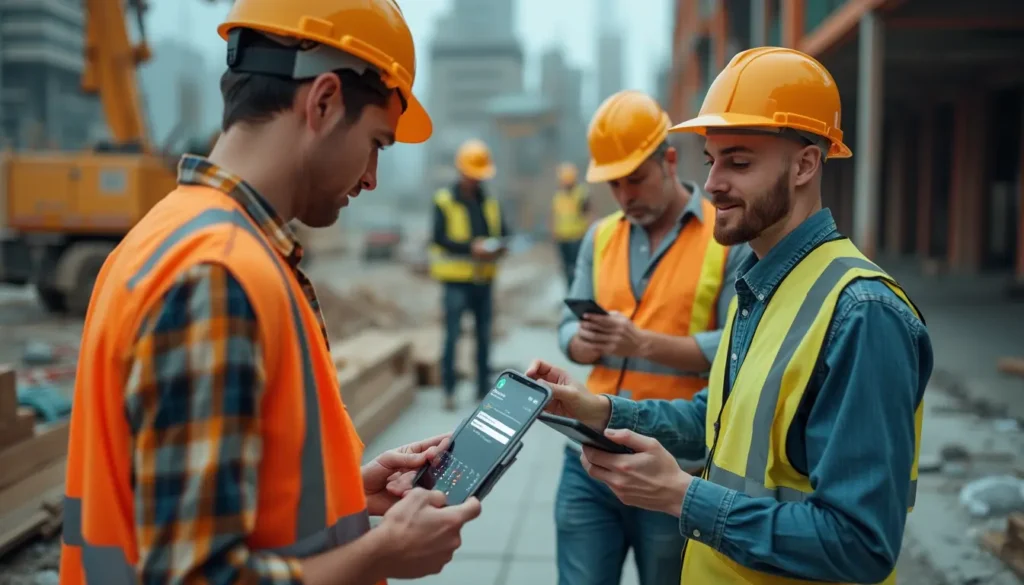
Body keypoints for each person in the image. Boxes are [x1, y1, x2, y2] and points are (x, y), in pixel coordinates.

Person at [59, 2, 483, 584]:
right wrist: (381, 554)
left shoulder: (171, 234)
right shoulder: (216, 276)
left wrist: (346, 498)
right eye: (377, 143)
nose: (371, 177)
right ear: (324, 101)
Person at [529, 47, 932, 585]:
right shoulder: (762, 287)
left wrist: (681, 496)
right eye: (711, 160)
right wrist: (598, 410)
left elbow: (859, 543)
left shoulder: (862, 315)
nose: (714, 183)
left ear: (806, 164)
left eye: (739, 163)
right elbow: (711, 423)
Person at [554, 89, 747, 585]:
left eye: (635, 180)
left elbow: (736, 348)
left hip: (671, 462)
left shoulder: (725, 238)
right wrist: (584, 342)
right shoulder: (600, 236)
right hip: (588, 455)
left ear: (669, 160)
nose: (625, 196)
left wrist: (641, 343)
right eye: (615, 185)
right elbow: (566, 327)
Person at [429, 138, 512, 411]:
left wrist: (498, 246)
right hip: (455, 281)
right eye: (472, 174)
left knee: (484, 335)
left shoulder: (490, 201)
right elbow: (439, 238)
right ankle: (449, 390)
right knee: (452, 336)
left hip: (483, 279)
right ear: (461, 170)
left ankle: (481, 390)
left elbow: (503, 233)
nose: (476, 180)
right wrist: (471, 248)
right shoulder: (443, 200)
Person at [551, 162, 592, 286]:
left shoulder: (581, 194)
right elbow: (554, 217)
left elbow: (588, 213)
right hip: (562, 238)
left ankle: (579, 291)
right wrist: (554, 234)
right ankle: (570, 293)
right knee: (567, 269)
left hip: (578, 237)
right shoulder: (558, 196)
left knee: (578, 268)